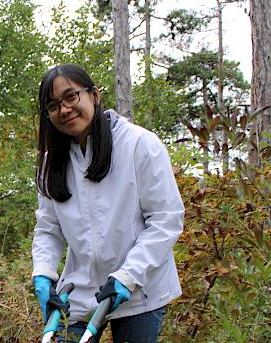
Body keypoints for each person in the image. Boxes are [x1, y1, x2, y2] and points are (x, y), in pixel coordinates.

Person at [31, 64, 185, 343]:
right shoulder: (50, 162)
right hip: (79, 291)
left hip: (140, 289)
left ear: (94, 95)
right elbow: (48, 228)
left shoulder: (139, 144)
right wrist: (43, 273)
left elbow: (166, 219)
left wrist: (128, 275)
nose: (64, 110)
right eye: (53, 105)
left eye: (71, 97)